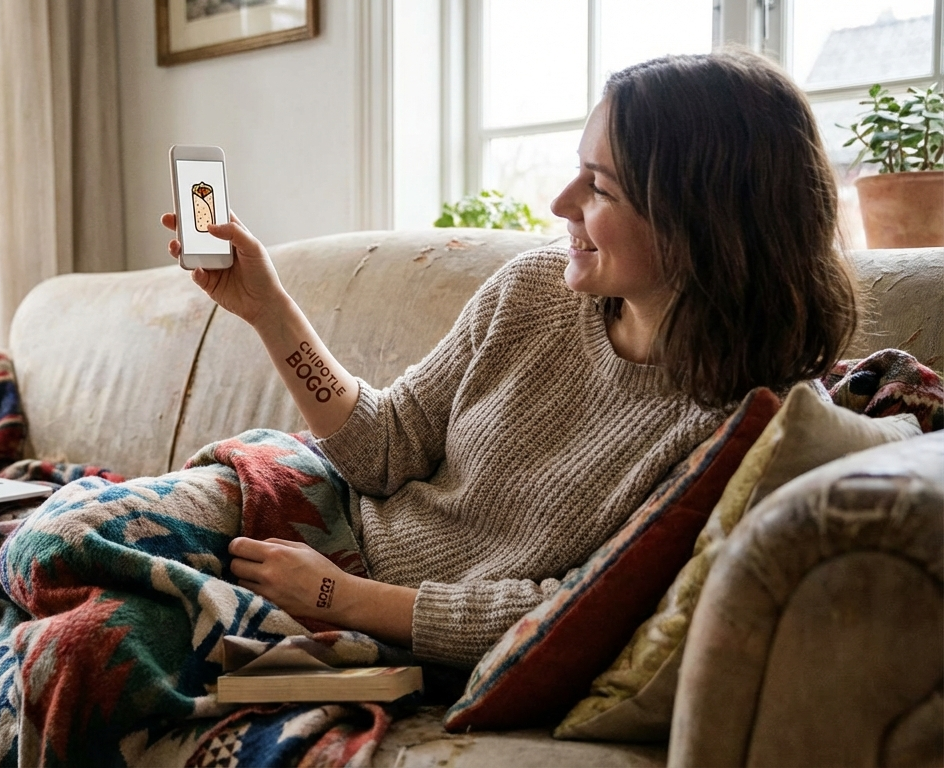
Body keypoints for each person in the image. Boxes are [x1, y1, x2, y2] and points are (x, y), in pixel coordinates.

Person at [160, 49, 858, 667]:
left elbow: (575, 609)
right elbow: (382, 448)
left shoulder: (742, 429)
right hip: (318, 504)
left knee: (97, 642)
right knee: (62, 542)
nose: (561, 202)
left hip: (367, 610)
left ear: (704, 221)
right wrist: (267, 308)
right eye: (577, 171)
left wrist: (341, 597)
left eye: (601, 187)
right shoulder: (533, 287)